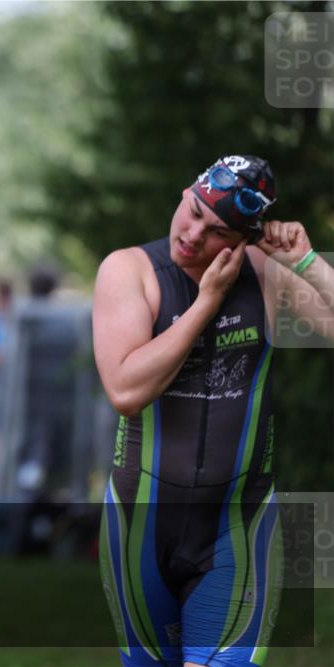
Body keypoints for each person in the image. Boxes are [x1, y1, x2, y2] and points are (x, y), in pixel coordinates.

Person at [93, 155, 333, 667]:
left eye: (217, 228)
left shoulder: (267, 275)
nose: (193, 233)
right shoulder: (130, 270)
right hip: (141, 525)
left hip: (236, 523)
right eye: (194, 210)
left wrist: (309, 264)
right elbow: (125, 389)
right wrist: (208, 302)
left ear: (242, 240)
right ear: (185, 193)